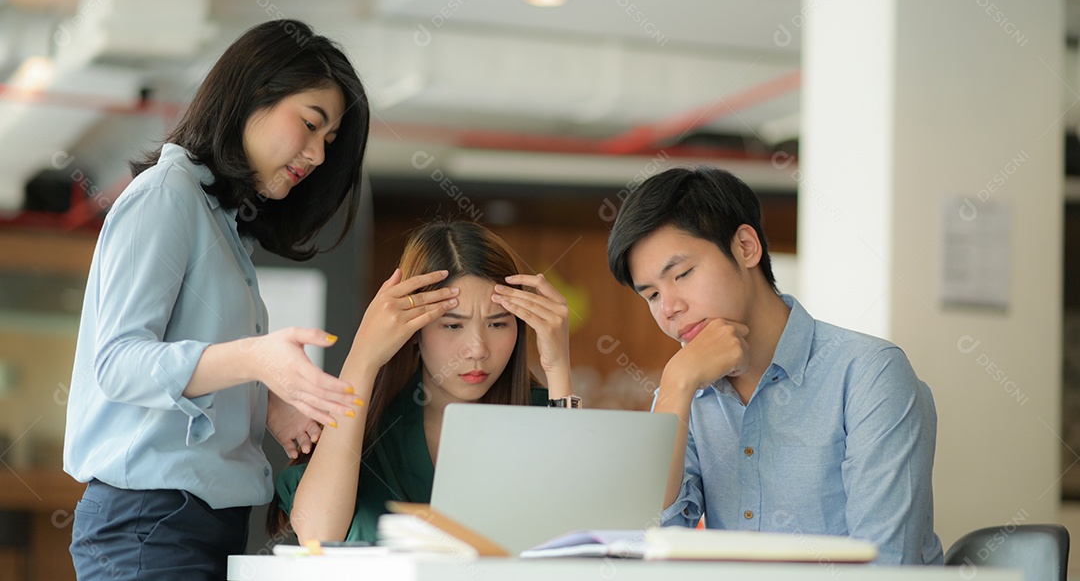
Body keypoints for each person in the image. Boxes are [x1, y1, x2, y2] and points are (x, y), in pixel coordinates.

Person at [63, 19, 370, 580]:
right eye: (309, 123)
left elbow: (186, 354)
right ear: (255, 92)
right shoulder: (166, 195)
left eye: (328, 141)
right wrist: (258, 360)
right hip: (149, 523)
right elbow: (118, 363)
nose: (319, 156)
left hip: (200, 523)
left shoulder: (223, 224)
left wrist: (265, 398)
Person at [606, 166, 943, 565]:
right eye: (651, 296)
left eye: (682, 274)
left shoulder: (869, 374)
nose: (669, 309)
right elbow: (649, 543)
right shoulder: (687, 387)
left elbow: (886, 563)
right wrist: (676, 386)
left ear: (746, 247)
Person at [269, 220, 576, 543]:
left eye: (498, 324)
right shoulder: (364, 428)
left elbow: (579, 535)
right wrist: (363, 358)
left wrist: (558, 368)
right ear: (413, 330)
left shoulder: (548, 416)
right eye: (452, 326)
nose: (478, 349)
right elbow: (318, 534)